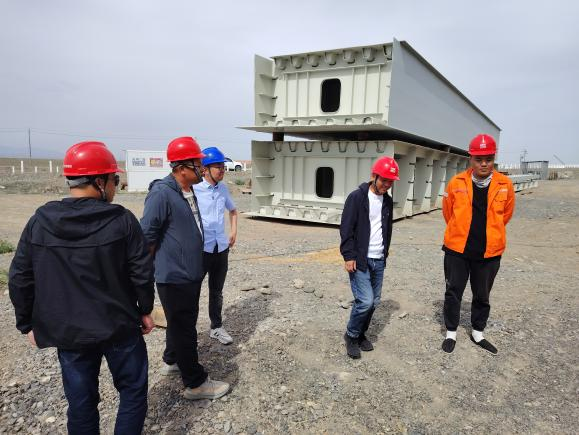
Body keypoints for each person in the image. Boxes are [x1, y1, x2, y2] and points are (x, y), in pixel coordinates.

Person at [9, 141, 155, 435]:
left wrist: (27, 324)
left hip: (70, 333)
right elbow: (142, 272)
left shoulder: (40, 222)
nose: (116, 187)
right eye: (114, 180)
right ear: (99, 182)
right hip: (119, 326)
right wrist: (144, 310)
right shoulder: (122, 221)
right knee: (132, 391)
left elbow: (20, 277)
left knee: (81, 403)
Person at [140, 136, 230, 400]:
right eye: (197, 164)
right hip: (174, 275)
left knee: (179, 322)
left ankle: (172, 360)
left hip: (188, 271)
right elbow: (147, 238)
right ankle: (195, 383)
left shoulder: (187, 191)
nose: (202, 169)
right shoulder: (162, 194)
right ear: (181, 168)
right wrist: (146, 276)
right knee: (185, 328)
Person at [441, 134, 515, 354]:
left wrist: (490, 234)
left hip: (489, 252)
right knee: (453, 291)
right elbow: (448, 213)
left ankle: (477, 332)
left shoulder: (505, 184)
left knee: (482, 294)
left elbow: (506, 215)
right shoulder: (456, 183)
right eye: (479, 159)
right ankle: (451, 332)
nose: (484, 164)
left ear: (494, 159)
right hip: (457, 250)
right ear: (470, 159)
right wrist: (460, 232)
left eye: (488, 159)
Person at [340, 156, 399, 359]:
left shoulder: (387, 201)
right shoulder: (357, 197)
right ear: (374, 176)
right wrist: (348, 256)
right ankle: (351, 335)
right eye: (384, 180)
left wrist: (384, 253)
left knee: (374, 302)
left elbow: (387, 229)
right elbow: (346, 228)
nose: (387, 185)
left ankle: (361, 333)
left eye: (391, 181)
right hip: (360, 259)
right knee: (365, 301)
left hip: (379, 258)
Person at [193, 147, 238, 345]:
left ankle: (216, 327)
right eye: (218, 167)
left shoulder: (223, 189)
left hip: (220, 249)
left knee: (217, 291)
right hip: (201, 250)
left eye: (223, 167)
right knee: (193, 291)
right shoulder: (194, 189)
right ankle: (189, 331)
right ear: (205, 169)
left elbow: (233, 211)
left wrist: (233, 231)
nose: (222, 170)